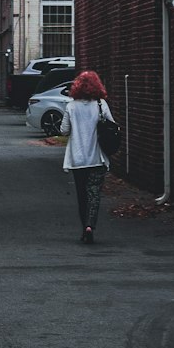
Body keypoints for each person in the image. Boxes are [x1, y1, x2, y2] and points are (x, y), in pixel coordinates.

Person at [59, 69, 112, 244]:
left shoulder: (71, 106)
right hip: (96, 157)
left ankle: (84, 229)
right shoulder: (100, 104)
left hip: (78, 158)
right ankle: (91, 225)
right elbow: (112, 126)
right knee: (94, 194)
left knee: (82, 195)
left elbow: (64, 130)